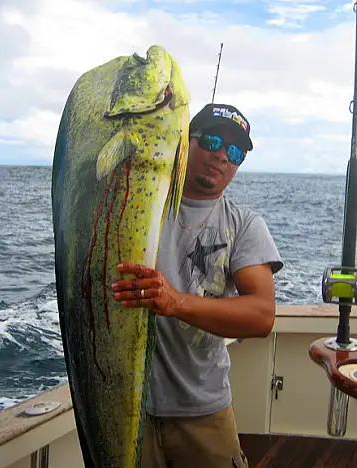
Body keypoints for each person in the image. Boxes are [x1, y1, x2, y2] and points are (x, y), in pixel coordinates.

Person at [111, 103, 283, 467]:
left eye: (234, 152)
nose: (221, 156)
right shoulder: (140, 203)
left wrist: (175, 303)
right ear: (186, 143)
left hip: (204, 411)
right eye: (211, 141)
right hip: (126, 408)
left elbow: (262, 315)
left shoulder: (244, 224)